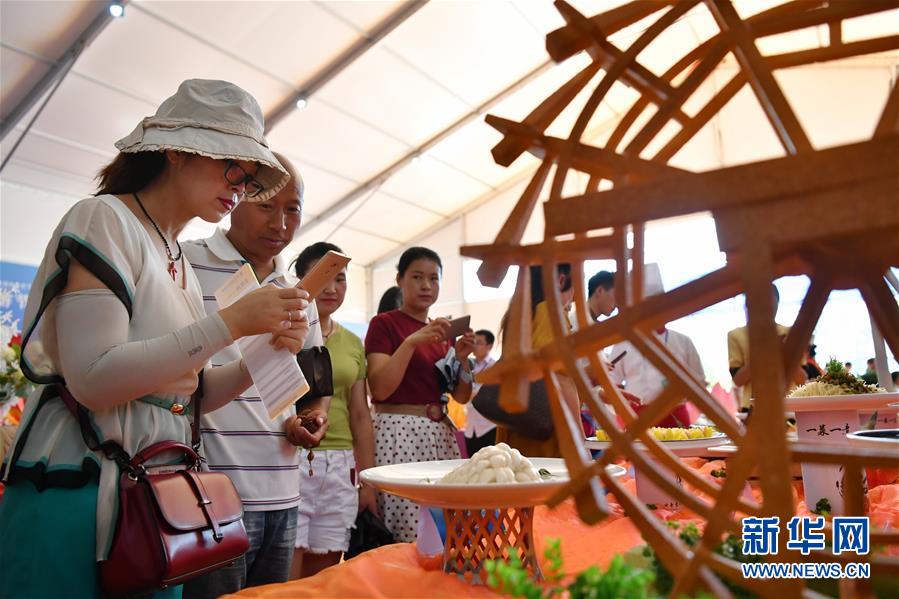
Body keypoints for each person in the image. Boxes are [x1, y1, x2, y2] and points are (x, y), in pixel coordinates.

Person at [0, 79, 326, 598]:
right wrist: (234, 323)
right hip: (81, 489)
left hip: (155, 499)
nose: (240, 184)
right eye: (232, 166)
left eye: (248, 175)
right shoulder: (104, 219)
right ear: (177, 151)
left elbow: (191, 396)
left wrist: (260, 349)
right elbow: (94, 378)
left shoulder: (176, 257)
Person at [182, 153, 330, 598]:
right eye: (267, 205)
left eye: (293, 208)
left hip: (284, 491)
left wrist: (313, 418)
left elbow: (315, 380)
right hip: (210, 496)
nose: (281, 222)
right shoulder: (187, 262)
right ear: (236, 198)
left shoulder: (297, 290)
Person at [365, 247, 475, 541]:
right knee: (407, 530)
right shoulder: (384, 324)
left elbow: (461, 397)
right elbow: (380, 388)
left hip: (439, 433)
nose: (426, 286)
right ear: (400, 280)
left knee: (447, 529)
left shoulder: (442, 333)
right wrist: (412, 342)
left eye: (433, 279)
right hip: (398, 432)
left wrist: (463, 360)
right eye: (417, 277)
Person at [290, 242, 376, 578]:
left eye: (340, 279)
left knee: (326, 578)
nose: (331, 288)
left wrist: (368, 482)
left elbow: (360, 414)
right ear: (300, 279)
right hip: (291, 457)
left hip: (341, 468)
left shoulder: (353, 343)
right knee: (288, 577)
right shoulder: (286, 331)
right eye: (321, 277)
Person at [495, 263, 580, 458]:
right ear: (561, 280)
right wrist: (577, 436)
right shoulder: (551, 313)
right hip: (546, 429)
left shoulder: (520, 313)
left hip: (519, 424)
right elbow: (558, 377)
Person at [609, 266, 704, 427]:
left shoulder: (683, 341)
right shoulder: (622, 344)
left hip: (676, 418)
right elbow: (612, 385)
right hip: (636, 419)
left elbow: (699, 382)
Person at [727, 284, 805, 410]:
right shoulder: (736, 335)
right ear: (747, 305)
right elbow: (737, 381)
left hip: (789, 406)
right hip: (753, 407)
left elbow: (802, 379)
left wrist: (784, 352)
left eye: (770, 305)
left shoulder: (790, 333)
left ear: (777, 305)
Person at [463, 329, 497, 456]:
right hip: (471, 427)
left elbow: (487, 395)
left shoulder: (495, 366)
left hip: (489, 426)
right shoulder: (467, 365)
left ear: (489, 346)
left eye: (479, 342)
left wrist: (468, 392)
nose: (474, 346)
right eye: (473, 342)